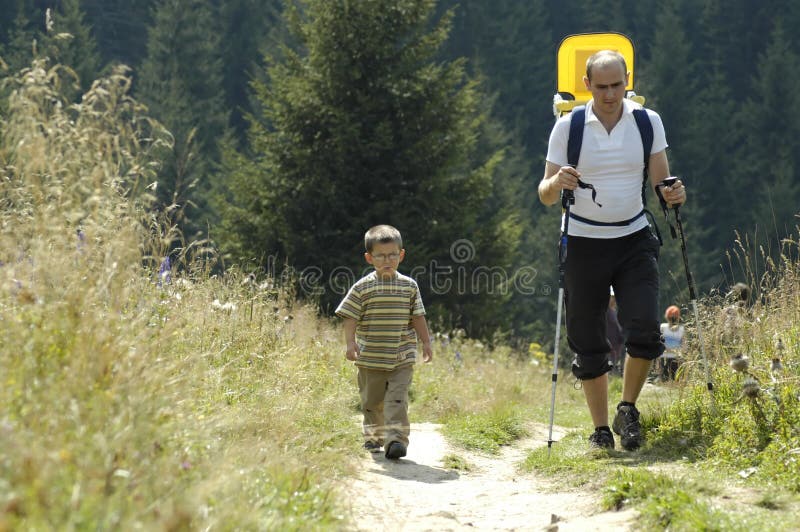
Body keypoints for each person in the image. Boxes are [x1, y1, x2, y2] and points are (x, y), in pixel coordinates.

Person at [538, 50, 687, 451]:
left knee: (643, 328)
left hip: (634, 239)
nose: (609, 94)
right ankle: (601, 429)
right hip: (583, 243)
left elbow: (661, 181)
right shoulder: (569, 128)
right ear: (587, 85)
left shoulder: (645, 121)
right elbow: (545, 194)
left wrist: (674, 193)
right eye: (601, 86)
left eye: (616, 85)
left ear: (627, 81)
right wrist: (558, 184)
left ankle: (628, 409)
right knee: (588, 341)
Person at [335, 224, 433, 460]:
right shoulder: (362, 287)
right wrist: (350, 344)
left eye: (392, 255)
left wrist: (426, 342)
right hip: (370, 357)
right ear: (370, 258)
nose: (387, 260)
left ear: (401, 255)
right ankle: (374, 437)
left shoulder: (409, 286)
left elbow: (417, 316)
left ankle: (396, 440)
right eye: (380, 255)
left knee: (397, 399)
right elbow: (350, 317)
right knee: (371, 401)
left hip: (402, 355)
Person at [659, 305, 685, 381]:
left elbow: (659, 343)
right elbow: (685, 346)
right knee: (677, 380)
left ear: (667, 316)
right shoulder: (681, 329)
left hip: (664, 357)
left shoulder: (662, 327)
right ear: (678, 317)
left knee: (664, 380)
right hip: (677, 357)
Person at [606, 287, 625, 374]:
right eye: (611, 297)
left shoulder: (614, 311)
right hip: (608, 343)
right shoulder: (605, 311)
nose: (613, 299)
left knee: (614, 365)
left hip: (616, 343)